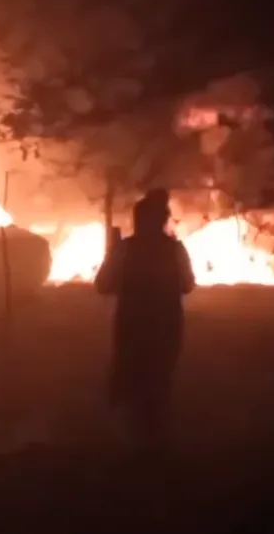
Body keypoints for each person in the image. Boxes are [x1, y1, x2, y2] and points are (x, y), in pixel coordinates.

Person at [96, 191, 195, 451]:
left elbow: (102, 285)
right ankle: (155, 442)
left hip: (133, 326)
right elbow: (188, 285)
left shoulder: (125, 249)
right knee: (159, 383)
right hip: (166, 326)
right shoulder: (174, 250)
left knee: (133, 381)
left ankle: (135, 443)